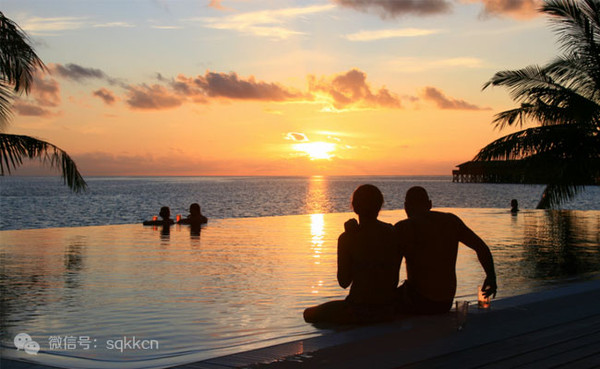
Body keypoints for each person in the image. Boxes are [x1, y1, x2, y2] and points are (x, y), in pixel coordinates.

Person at [303, 184, 401, 325]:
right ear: (380, 206)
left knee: (308, 314)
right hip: (388, 308)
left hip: (359, 310)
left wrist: (354, 243)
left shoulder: (348, 238)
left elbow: (343, 282)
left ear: (354, 207)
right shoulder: (392, 232)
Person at [394, 186, 497, 314]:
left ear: (406, 206)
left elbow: (393, 270)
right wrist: (491, 277)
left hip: (417, 301)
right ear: (430, 204)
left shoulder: (404, 228)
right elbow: (481, 247)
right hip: (445, 302)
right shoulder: (451, 221)